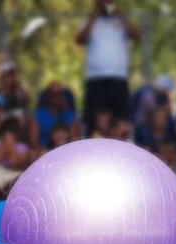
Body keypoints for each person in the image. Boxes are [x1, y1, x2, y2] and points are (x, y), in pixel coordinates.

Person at [76, 0, 141, 135]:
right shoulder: (89, 22)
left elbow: (137, 36)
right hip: (95, 79)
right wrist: (93, 18)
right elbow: (80, 39)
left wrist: (121, 15)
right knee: (93, 122)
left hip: (118, 78)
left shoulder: (121, 22)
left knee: (120, 121)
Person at [30, 81, 80, 150]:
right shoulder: (38, 115)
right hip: (43, 153)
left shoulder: (71, 116)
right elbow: (33, 142)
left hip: (67, 151)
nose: (56, 97)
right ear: (47, 96)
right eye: (52, 94)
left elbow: (75, 140)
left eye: (59, 94)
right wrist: (46, 153)